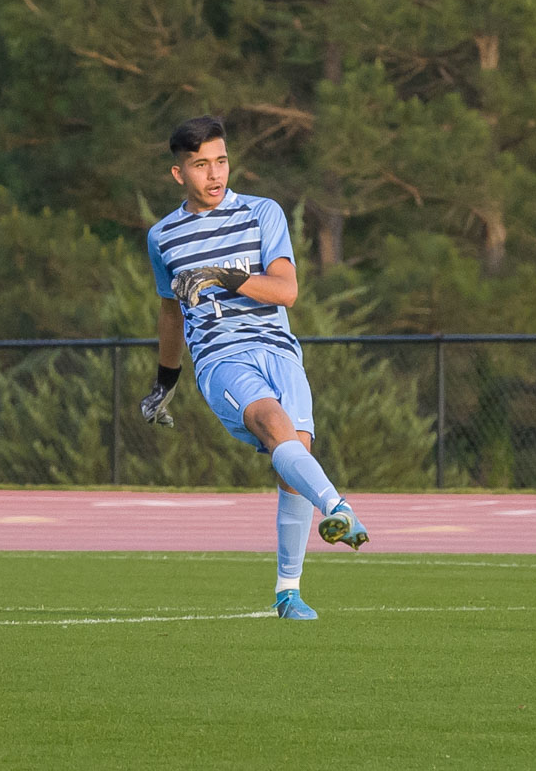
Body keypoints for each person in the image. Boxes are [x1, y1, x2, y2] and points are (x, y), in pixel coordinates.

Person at [139, 114, 368, 621]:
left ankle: (288, 592)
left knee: (294, 459)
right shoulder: (163, 238)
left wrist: (222, 275)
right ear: (179, 174)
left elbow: (285, 291)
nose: (214, 174)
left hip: (280, 351)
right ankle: (338, 508)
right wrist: (165, 382)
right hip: (221, 358)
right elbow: (169, 311)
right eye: (200, 165)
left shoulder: (263, 213)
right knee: (271, 425)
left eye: (220, 161)